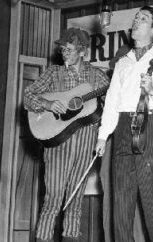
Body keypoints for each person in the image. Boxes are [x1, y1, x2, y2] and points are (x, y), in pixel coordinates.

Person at [95, 5, 153, 242]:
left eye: (143, 19)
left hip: (151, 127)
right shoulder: (123, 63)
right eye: (135, 18)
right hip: (123, 128)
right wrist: (103, 136)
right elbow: (112, 102)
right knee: (121, 203)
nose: (136, 21)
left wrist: (152, 90)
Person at [24, 27, 110, 242]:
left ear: (82, 51)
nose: (64, 54)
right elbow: (28, 96)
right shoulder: (54, 73)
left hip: (86, 142)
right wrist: (47, 103)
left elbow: (111, 104)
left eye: (69, 50)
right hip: (58, 145)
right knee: (53, 197)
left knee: (75, 199)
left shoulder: (97, 77)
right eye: (62, 50)